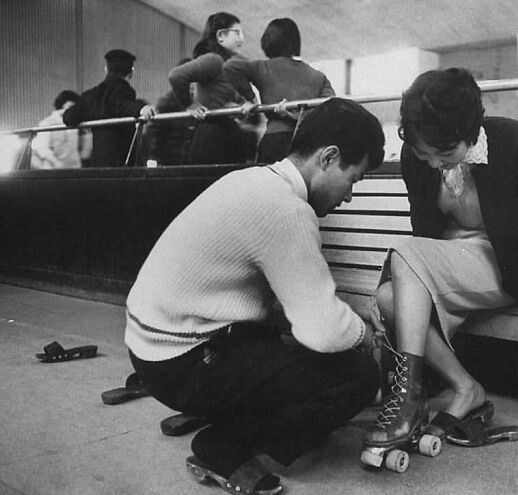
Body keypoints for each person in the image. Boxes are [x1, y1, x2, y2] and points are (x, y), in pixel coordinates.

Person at [124, 98, 385, 494]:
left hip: (152, 349)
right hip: (181, 365)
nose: (348, 195)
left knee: (286, 337)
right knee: (357, 376)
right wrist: (367, 337)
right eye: (354, 179)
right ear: (329, 158)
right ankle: (224, 444)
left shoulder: (251, 179)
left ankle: (222, 411)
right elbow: (324, 332)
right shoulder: (286, 209)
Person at [363, 69, 518, 451]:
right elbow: (423, 230)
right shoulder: (414, 156)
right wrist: (397, 292)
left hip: (506, 269)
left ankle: (407, 400)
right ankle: (466, 388)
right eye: (425, 153)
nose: (434, 162)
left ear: (469, 131)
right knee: (390, 298)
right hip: (449, 267)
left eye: (445, 153)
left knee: (402, 253)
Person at [228, 17, 336, 163]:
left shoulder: (262, 68)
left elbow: (230, 67)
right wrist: (297, 117)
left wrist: (251, 99)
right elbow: (332, 109)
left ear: (267, 42)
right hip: (307, 145)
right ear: (295, 42)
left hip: (274, 141)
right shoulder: (318, 76)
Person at [168, 12, 254, 165]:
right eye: (237, 33)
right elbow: (176, 76)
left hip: (226, 134)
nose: (242, 38)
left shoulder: (229, 66)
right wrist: (190, 105)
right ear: (220, 36)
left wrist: (240, 109)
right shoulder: (214, 60)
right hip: (212, 137)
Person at [63, 49, 155, 167]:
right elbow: (120, 105)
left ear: (106, 69)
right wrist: (140, 108)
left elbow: (69, 117)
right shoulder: (124, 91)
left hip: (97, 161)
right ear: (131, 72)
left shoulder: (91, 95)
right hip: (123, 160)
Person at [31, 90, 81, 169]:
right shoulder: (47, 123)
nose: (73, 110)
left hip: (74, 167)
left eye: (75, 107)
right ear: (61, 106)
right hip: (53, 169)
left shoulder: (76, 123)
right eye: (70, 107)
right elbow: (42, 148)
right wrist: (56, 163)